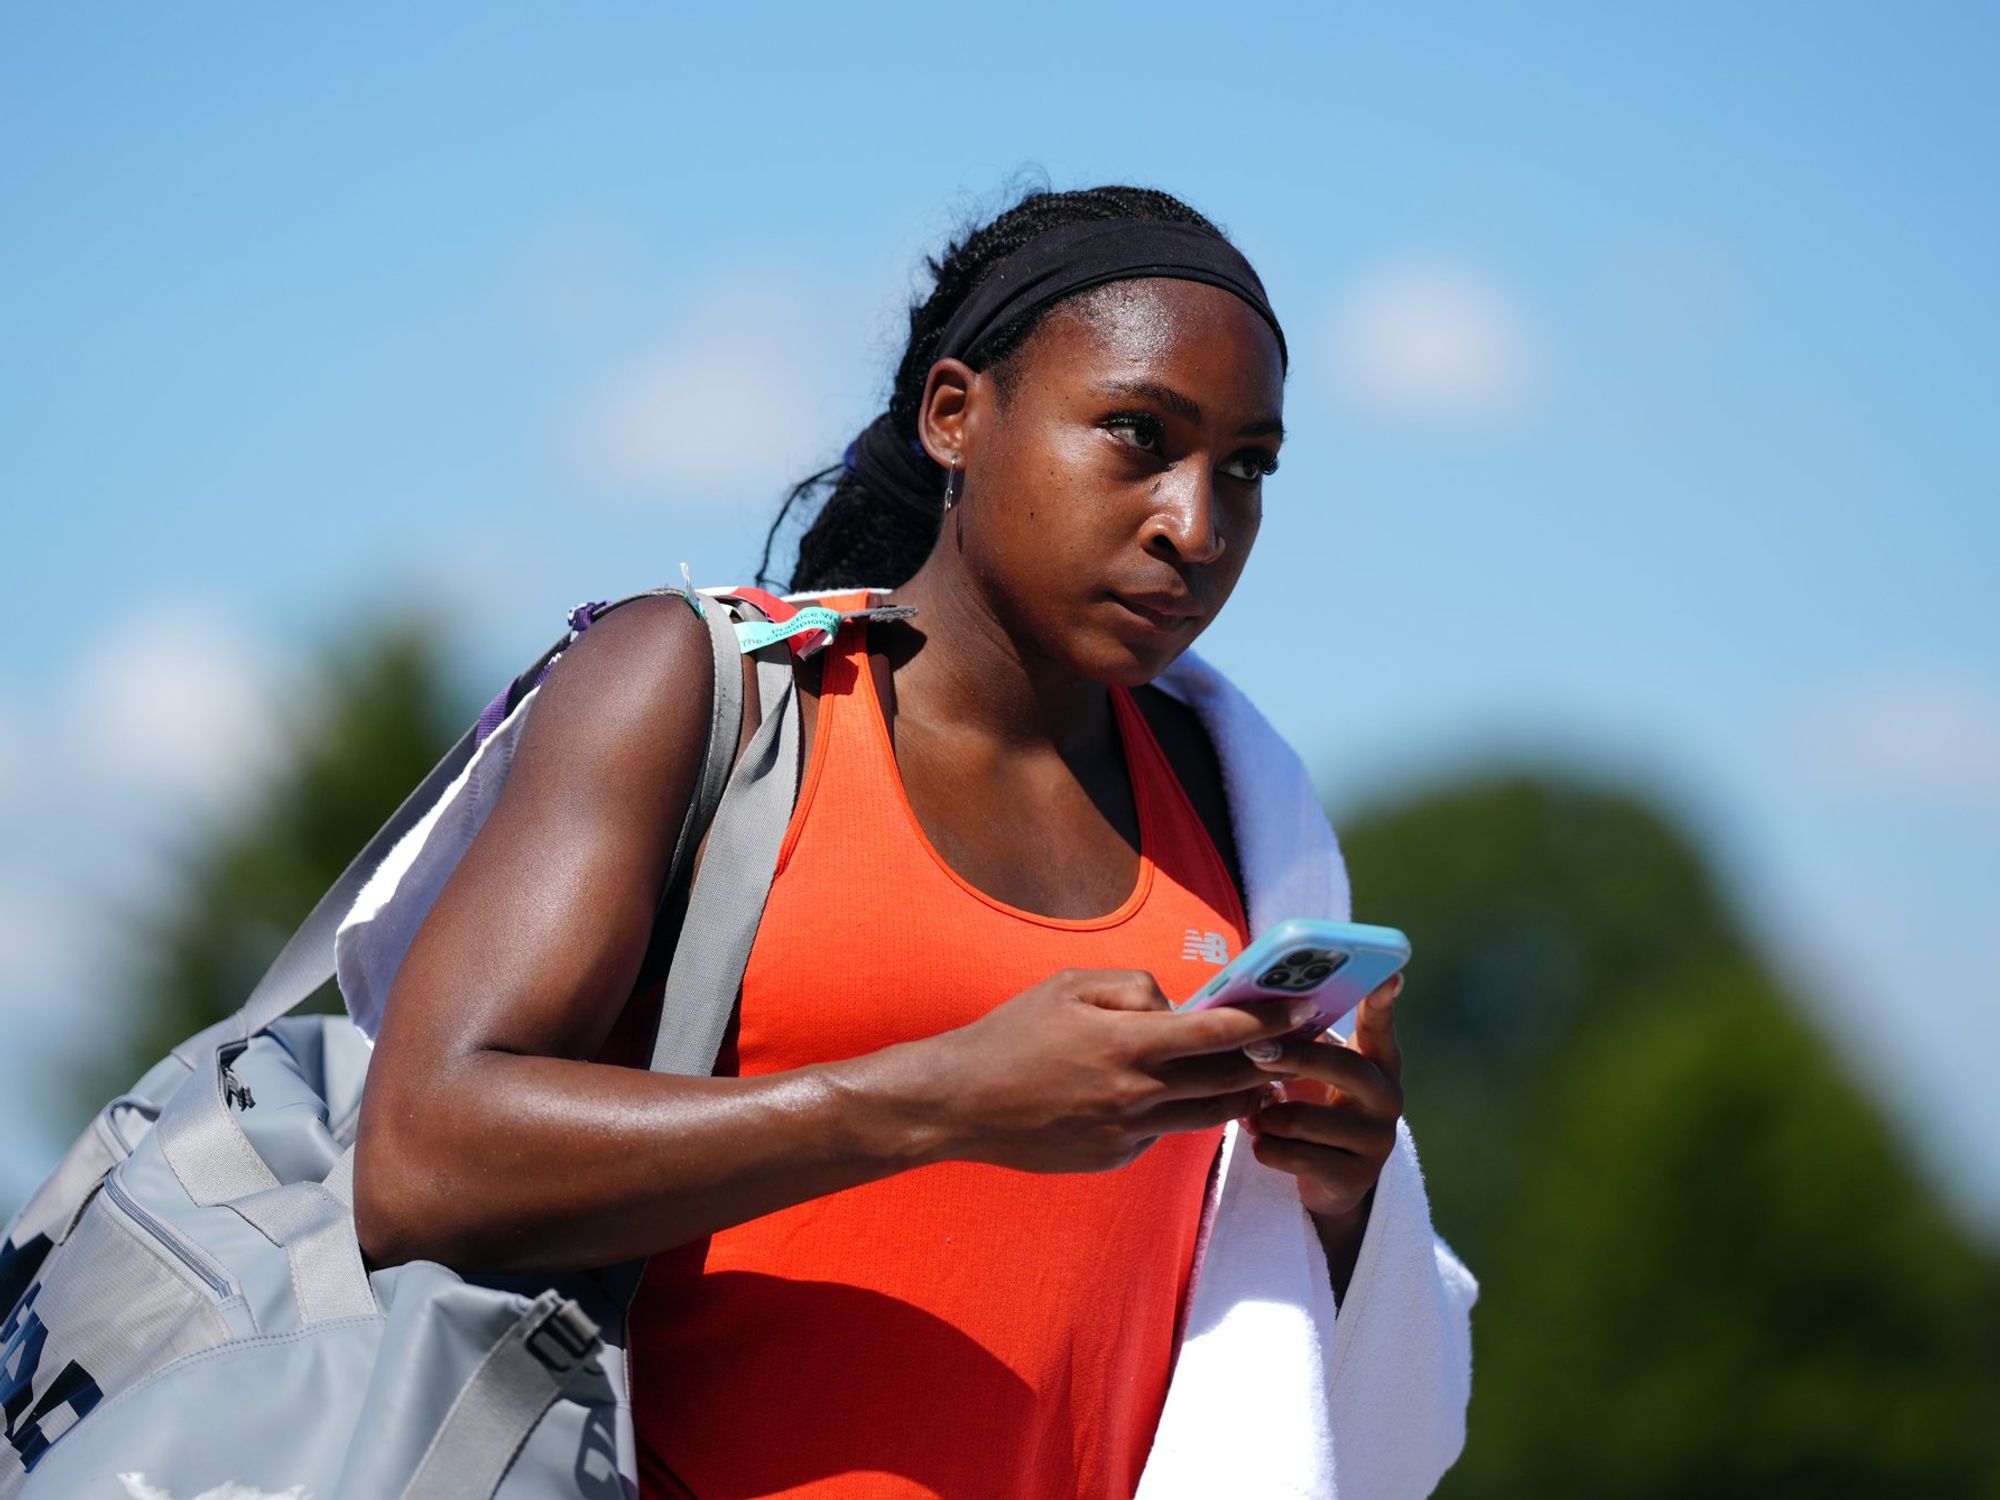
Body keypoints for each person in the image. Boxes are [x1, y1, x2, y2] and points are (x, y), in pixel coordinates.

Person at [351, 183, 1471, 1498]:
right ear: (958, 415)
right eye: (1136, 433)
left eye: (1246, 466)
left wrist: (1342, 1204)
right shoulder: (702, 691)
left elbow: (1297, 1375)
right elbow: (423, 1155)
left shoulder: (1238, 812)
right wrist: (942, 1095)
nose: (1196, 524)